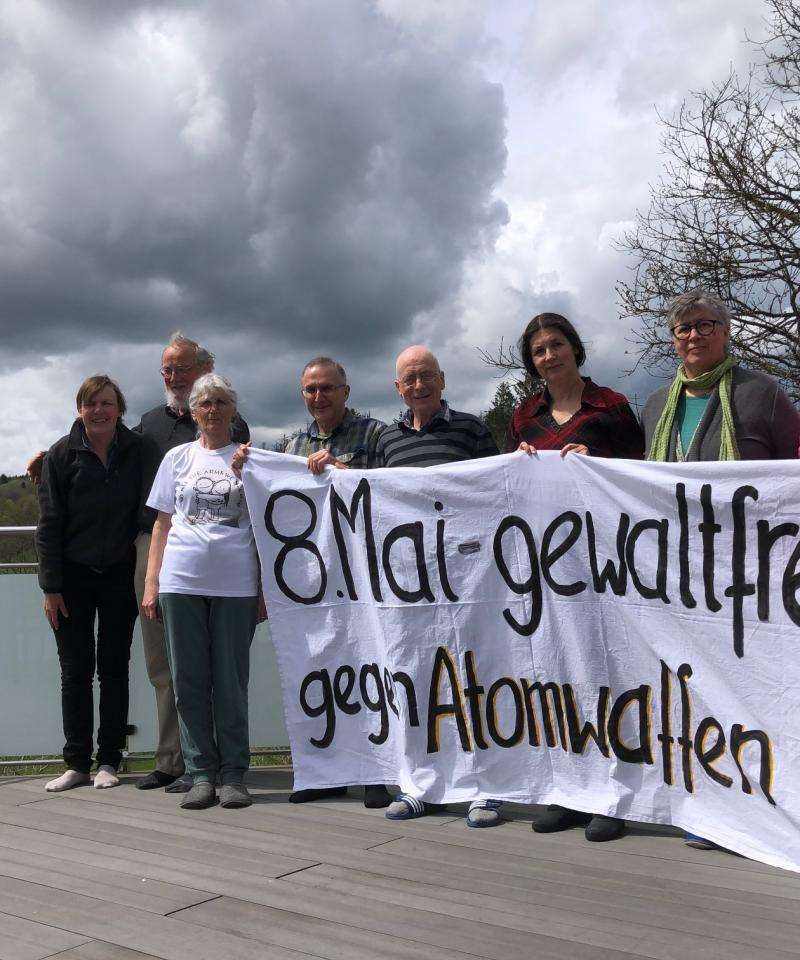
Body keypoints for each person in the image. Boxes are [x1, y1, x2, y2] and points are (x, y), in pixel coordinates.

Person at [28, 333, 250, 792]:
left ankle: (221, 765)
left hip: (216, 564)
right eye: (167, 369)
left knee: (216, 670)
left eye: (183, 368)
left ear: (205, 372)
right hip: (155, 548)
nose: (174, 377)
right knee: (165, 664)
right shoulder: (149, 423)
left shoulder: (231, 420)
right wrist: (47, 458)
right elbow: (89, 456)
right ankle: (176, 760)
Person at [641, 289, 800, 849]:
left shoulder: (764, 393)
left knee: (749, 679)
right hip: (681, 572)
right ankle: (707, 794)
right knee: (694, 683)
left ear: (726, 332)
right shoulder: (655, 404)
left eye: (705, 325)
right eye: (683, 328)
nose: (693, 336)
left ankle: (755, 795)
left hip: (752, 568)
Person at [510, 312, 645, 843]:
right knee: (555, 675)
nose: (549, 355)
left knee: (607, 674)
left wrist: (600, 461)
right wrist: (518, 460)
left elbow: (643, 471)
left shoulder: (611, 406)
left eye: (557, 344)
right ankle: (568, 789)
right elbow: (507, 488)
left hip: (604, 562)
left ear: (575, 348)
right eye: (539, 349)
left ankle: (614, 794)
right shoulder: (523, 415)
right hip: (546, 568)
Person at [234, 356, 391, 808]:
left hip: (364, 573)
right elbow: (269, 508)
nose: (318, 397)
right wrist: (246, 466)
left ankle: (377, 771)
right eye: (310, 390)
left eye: (326, 388)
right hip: (311, 581)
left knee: (371, 666)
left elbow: (394, 489)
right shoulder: (290, 445)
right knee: (318, 667)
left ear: (346, 390)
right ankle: (328, 770)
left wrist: (346, 472)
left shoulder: (376, 434)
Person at [378, 346, 502, 827]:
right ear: (398, 388)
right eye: (409, 379)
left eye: (426, 376)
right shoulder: (387, 440)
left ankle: (484, 787)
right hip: (409, 580)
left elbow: (496, 492)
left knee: (473, 676)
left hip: (467, 576)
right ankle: (422, 785)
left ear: (442, 380)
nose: (419, 385)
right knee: (417, 680)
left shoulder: (471, 429)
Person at [142, 373, 263, 810]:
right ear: (193, 411)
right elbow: (161, 524)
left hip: (235, 585)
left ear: (233, 409)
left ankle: (233, 773)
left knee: (230, 681)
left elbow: (270, 526)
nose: (212, 410)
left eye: (220, 402)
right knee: (188, 680)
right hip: (180, 583)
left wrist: (264, 591)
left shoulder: (251, 459)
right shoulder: (176, 458)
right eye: (204, 403)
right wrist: (152, 584)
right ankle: (201, 773)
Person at [35, 375, 141, 792]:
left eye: (107, 403)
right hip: (72, 580)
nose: (99, 410)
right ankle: (76, 762)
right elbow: (48, 526)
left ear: (119, 409)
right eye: (90, 403)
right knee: (75, 672)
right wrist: (50, 586)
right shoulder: (61, 455)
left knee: (115, 669)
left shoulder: (136, 450)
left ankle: (110, 760)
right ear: (80, 409)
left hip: (119, 574)